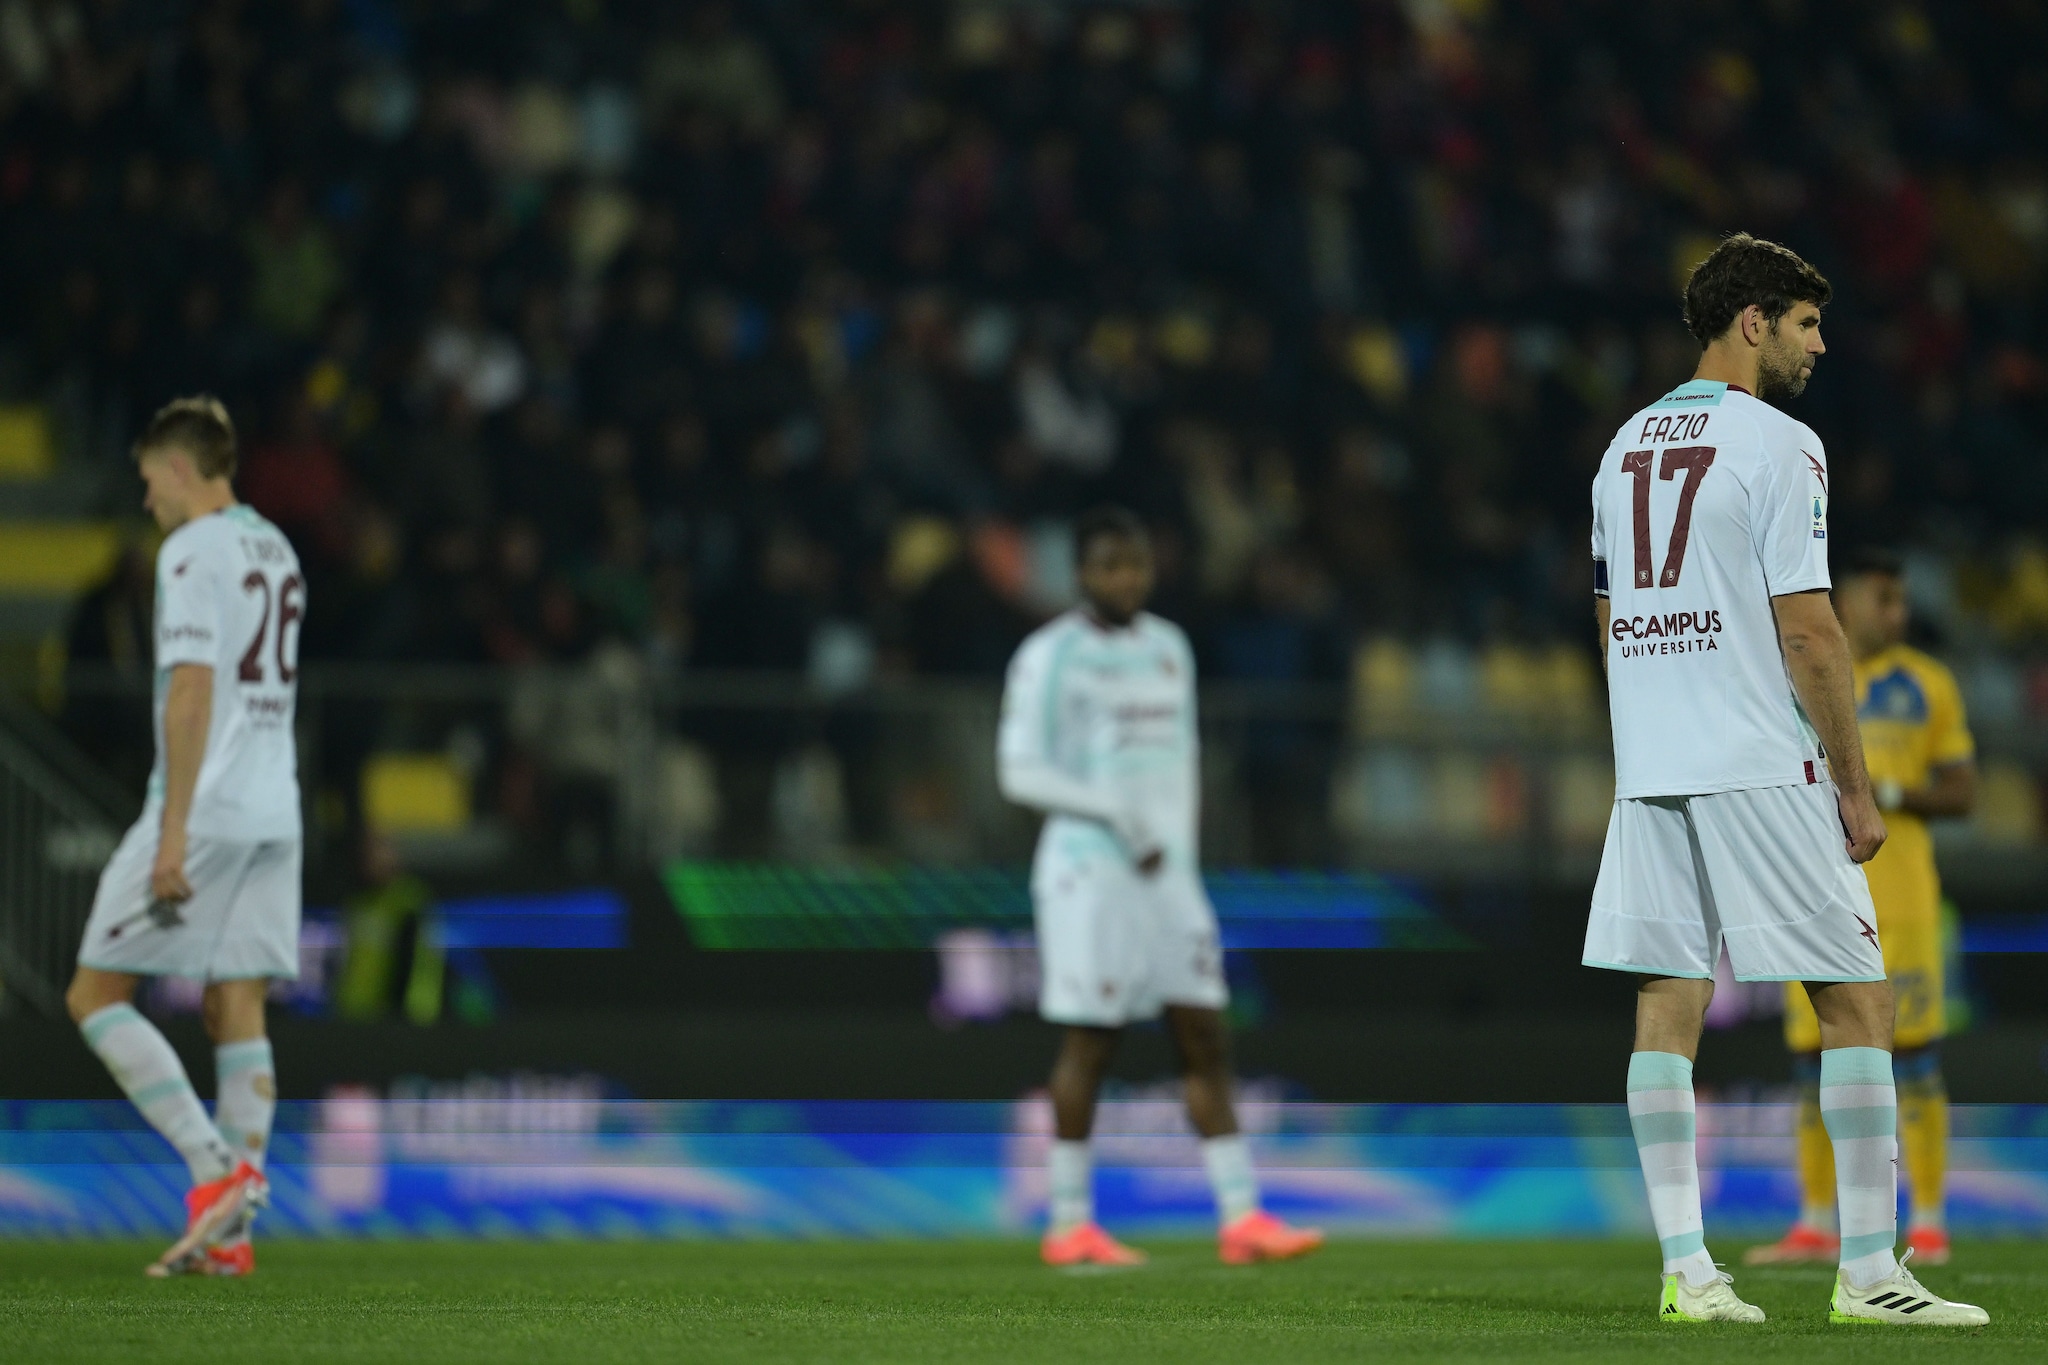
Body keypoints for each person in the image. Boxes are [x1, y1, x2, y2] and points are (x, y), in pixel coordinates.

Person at [1583, 235, 1986, 1326]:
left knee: (1665, 1007)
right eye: (1804, 322)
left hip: (1654, 761)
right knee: (1859, 1001)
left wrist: (1646, 727)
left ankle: (1685, 1272)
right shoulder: (1777, 444)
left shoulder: (1621, 447)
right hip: (1759, 758)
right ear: (1749, 321)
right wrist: (1854, 789)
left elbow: (1610, 614)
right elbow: (1809, 633)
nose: (1818, 343)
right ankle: (1867, 1272)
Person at [996, 505, 1323, 1268]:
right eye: (1110, 564)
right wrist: (1118, 815)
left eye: (1136, 564)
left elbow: (1179, 765)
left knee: (1205, 1032)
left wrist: (1177, 851)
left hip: (1169, 876)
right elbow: (1019, 771)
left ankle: (1242, 1217)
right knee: (1093, 1039)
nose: (1126, 578)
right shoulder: (1050, 655)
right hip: (1089, 870)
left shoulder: (1170, 647)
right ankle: (1069, 1221)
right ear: (1082, 571)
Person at [64, 396, 306, 1278]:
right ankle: (233, 1238)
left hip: (203, 807)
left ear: (176, 468)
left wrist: (170, 836)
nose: (145, 503)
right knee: (233, 1005)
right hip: (276, 806)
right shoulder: (275, 546)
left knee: (94, 996)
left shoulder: (190, 551)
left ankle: (215, 1172)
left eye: (146, 482)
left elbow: (193, 692)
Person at [1747, 547, 1975, 1268]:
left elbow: (1964, 789)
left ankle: (1930, 1221)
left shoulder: (1928, 683)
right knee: (1809, 1054)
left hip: (1904, 898)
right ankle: (1817, 1220)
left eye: (1900, 599)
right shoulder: (1796, 670)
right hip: (1813, 891)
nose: (1897, 613)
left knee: (1913, 1055)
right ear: (1844, 601)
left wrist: (1889, 793)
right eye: (1883, 598)